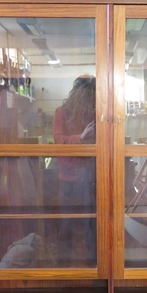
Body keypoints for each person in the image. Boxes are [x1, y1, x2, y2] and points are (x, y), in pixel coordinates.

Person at [52, 75, 97, 265]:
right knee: (67, 223)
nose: (92, 101)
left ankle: (94, 264)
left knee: (91, 223)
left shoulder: (93, 113)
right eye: (90, 96)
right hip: (69, 178)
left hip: (88, 177)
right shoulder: (61, 113)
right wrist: (82, 136)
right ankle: (64, 265)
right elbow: (59, 140)